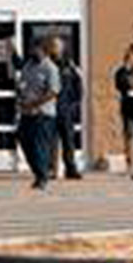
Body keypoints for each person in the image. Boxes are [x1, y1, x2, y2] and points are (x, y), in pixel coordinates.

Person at [16, 37, 61, 190]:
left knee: (39, 146)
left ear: (43, 50)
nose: (32, 52)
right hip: (27, 112)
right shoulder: (28, 65)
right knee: (24, 141)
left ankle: (42, 177)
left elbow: (53, 92)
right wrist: (21, 96)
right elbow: (22, 84)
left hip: (43, 114)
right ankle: (38, 172)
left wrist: (35, 103)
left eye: (36, 49)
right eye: (31, 49)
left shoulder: (50, 68)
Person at [48, 37, 84, 180]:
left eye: (57, 46)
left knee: (68, 140)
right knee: (51, 142)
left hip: (65, 109)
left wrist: (74, 104)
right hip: (49, 108)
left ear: (62, 48)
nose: (55, 48)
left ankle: (70, 169)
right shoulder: (46, 64)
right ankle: (51, 169)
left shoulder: (69, 65)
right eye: (53, 46)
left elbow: (78, 85)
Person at [114, 43, 133, 176]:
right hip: (128, 107)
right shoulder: (121, 71)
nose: (130, 59)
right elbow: (120, 85)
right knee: (129, 137)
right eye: (128, 56)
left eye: (132, 56)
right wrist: (127, 74)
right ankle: (130, 165)